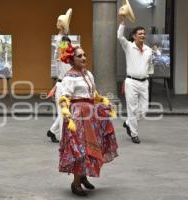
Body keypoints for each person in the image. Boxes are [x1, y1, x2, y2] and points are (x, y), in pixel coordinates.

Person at [58, 45, 118, 196]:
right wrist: (66, 114)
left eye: (84, 55)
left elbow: (93, 92)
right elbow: (64, 98)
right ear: (71, 60)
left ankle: (83, 177)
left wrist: (102, 101)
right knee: (80, 148)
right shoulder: (69, 77)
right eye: (79, 56)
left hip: (91, 114)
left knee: (92, 147)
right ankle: (76, 184)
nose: (84, 58)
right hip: (78, 116)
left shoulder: (88, 73)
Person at [117, 14, 159, 144]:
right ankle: (134, 134)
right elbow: (119, 37)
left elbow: (156, 59)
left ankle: (128, 122)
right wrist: (122, 22)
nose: (142, 35)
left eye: (144, 34)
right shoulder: (128, 46)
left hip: (144, 82)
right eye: (140, 33)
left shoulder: (147, 49)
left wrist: (156, 52)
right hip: (131, 82)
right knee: (132, 109)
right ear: (134, 36)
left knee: (144, 109)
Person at [46, 11, 72, 143]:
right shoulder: (60, 55)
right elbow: (59, 44)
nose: (65, 47)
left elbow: (65, 42)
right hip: (61, 85)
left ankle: (52, 131)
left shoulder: (71, 56)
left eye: (68, 45)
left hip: (70, 85)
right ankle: (64, 140)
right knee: (63, 113)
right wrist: (63, 31)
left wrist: (65, 29)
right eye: (64, 45)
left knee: (66, 112)